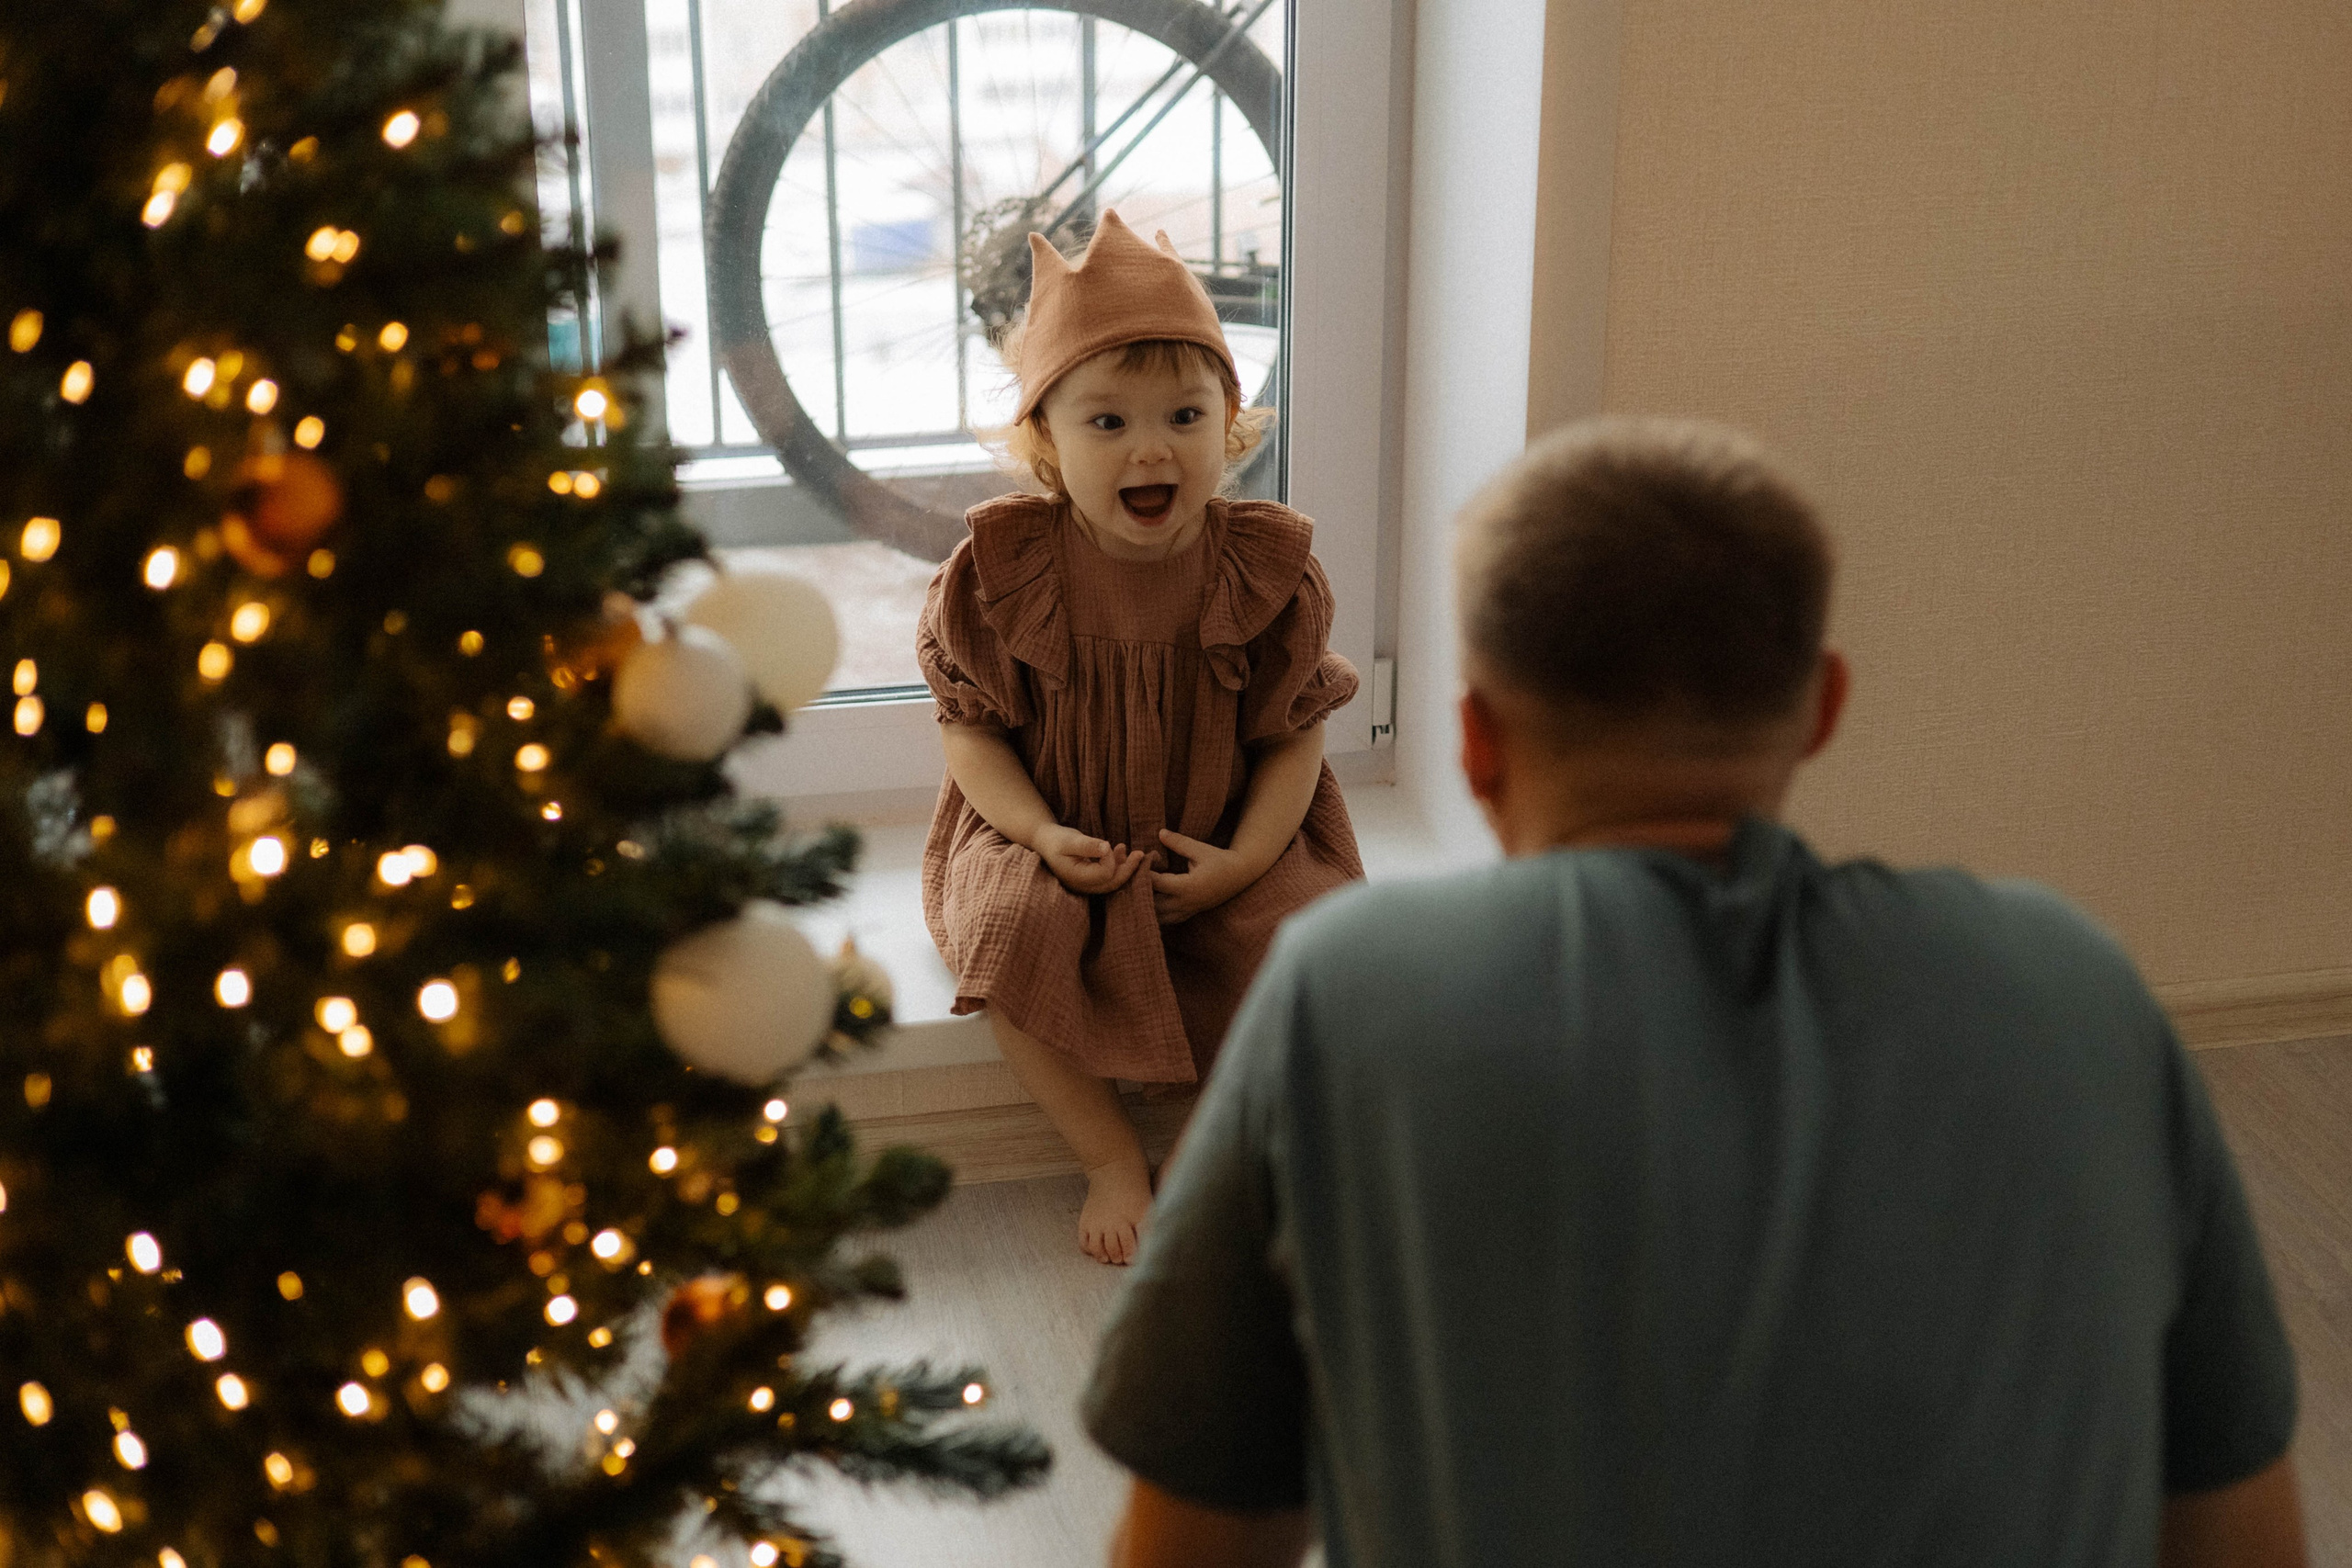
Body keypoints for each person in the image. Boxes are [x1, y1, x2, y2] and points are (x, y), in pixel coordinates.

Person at [1081, 418, 2306, 1567]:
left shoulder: (1353, 991)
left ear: (1476, 738)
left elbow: (1199, 1533)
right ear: (1822, 705)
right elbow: (2243, 1528)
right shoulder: (2072, 984)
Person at [918, 209, 1363, 1265]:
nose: (1150, 447)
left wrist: (1248, 860)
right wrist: (1031, 831)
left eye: (1183, 414)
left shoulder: (1265, 573)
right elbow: (969, 733)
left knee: (1304, 947)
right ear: (1045, 443)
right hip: (1048, 828)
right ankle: (1110, 1153)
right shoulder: (1001, 572)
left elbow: (1294, 736)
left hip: (1221, 828)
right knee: (1004, 935)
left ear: (1230, 426)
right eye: (1105, 423)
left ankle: (1220, 1149)